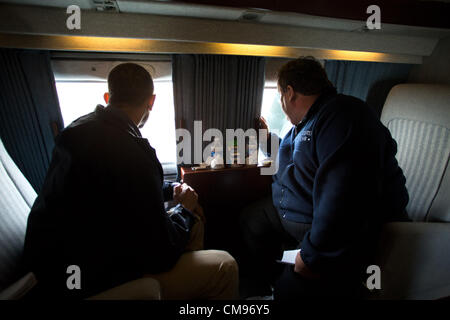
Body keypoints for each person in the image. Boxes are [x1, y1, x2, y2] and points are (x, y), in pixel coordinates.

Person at [23, 63, 238, 300]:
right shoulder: (135, 153)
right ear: (152, 101)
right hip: (91, 278)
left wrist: (170, 190)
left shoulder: (75, 132)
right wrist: (184, 210)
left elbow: (121, 188)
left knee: (189, 223)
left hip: (52, 266)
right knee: (224, 264)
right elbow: (160, 252)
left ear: (107, 97)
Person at [239, 56, 409, 299]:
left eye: (280, 95)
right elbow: (291, 155)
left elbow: (344, 197)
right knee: (251, 219)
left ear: (289, 93)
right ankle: (269, 282)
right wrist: (266, 139)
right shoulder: (304, 123)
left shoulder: (343, 116)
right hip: (292, 210)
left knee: (291, 290)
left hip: (318, 221)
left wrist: (313, 256)